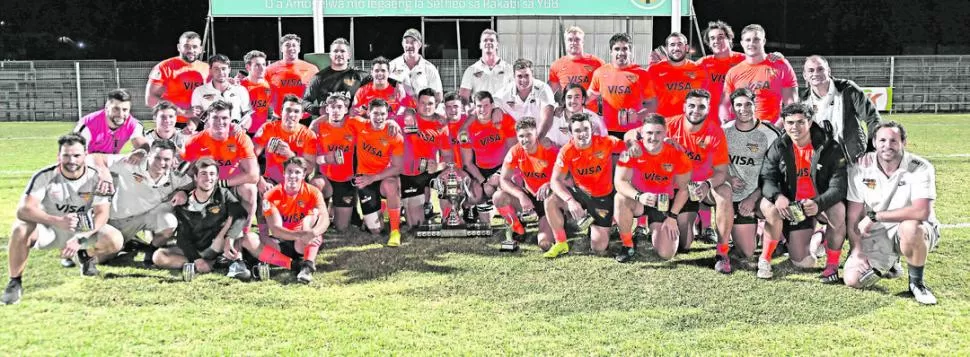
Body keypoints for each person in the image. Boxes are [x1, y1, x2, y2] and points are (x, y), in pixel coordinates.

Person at [2, 134, 124, 305]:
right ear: (58, 156)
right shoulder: (44, 176)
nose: (71, 160)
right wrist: (57, 221)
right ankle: (15, 282)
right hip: (50, 227)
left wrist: (81, 237)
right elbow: (23, 210)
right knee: (20, 228)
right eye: (66, 155)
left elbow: (102, 214)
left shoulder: (96, 178)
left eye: (76, 155)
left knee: (115, 240)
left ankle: (86, 256)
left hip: (81, 226)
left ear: (85, 155)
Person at [842, 122, 939, 305]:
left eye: (893, 141)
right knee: (852, 280)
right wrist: (857, 250)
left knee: (910, 228)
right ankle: (891, 262)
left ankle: (917, 283)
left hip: (914, 226)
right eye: (882, 140)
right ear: (874, 142)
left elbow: (921, 211)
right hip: (878, 231)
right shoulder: (860, 167)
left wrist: (876, 216)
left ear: (904, 142)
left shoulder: (920, 167)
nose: (887, 146)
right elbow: (854, 214)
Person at [759, 103, 847, 282]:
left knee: (838, 210)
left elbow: (839, 186)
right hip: (793, 206)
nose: (795, 127)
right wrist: (778, 196)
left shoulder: (829, 146)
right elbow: (766, 177)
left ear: (810, 121)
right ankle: (767, 258)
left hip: (818, 203)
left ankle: (831, 266)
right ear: (783, 122)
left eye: (800, 122)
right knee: (803, 262)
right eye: (790, 122)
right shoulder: (779, 146)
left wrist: (818, 203)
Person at [662, 89, 735, 272]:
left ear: (708, 109)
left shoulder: (715, 132)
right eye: (692, 105)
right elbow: (633, 135)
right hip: (677, 187)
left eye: (701, 106)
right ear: (684, 106)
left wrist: (707, 184)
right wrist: (661, 139)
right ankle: (687, 224)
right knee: (683, 246)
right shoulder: (668, 124)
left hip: (701, 186)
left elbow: (721, 172)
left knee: (724, 191)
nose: (696, 110)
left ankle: (722, 252)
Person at [88, 140, 193, 267]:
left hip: (141, 218)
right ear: (149, 156)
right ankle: (125, 243)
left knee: (169, 223)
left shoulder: (175, 176)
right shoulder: (132, 163)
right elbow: (95, 157)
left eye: (166, 159)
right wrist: (104, 174)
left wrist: (183, 191)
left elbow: (191, 184)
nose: (161, 163)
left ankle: (150, 250)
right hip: (116, 219)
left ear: (172, 160)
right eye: (157, 158)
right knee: (102, 257)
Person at [544, 113, 627, 258]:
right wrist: (570, 201)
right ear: (571, 133)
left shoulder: (606, 142)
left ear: (592, 129)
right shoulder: (567, 151)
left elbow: (630, 146)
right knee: (550, 199)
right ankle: (561, 242)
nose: (582, 134)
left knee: (599, 248)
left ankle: (606, 223)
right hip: (581, 194)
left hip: (603, 198)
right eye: (577, 131)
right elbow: (555, 180)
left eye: (585, 129)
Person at [152, 158, 250, 280]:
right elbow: (183, 239)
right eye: (203, 174)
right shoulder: (184, 201)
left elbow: (241, 215)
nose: (208, 178)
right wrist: (197, 259)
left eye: (212, 174)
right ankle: (213, 265)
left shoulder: (223, 194)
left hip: (218, 245)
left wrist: (229, 238)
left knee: (234, 221)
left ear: (217, 177)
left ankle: (231, 261)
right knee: (158, 256)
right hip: (197, 248)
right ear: (195, 178)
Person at [238, 157, 329, 283]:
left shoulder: (313, 192)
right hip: (283, 240)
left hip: (303, 242)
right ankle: (294, 265)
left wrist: (312, 233)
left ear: (304, 174)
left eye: (297, 172)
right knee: (248, 239)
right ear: (283, 173)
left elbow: (325, 218)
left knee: (311, 220)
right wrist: (299, 235)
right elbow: (276, 230)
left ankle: (308, 266)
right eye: (289, 171)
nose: (292, 175)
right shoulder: (271, 195)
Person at [614, 114, 692, 261]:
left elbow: (684, 188)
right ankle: (627, 244)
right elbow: (620, 182)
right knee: (620, 198)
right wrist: (639, 196)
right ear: (642, 133)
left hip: (662, 203)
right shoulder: (631, 151)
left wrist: (673, 216)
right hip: (639, 200)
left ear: (665, 133)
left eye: (658, 133)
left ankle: (653, 229)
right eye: (649, 133)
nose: (653, 137)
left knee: (666, 254)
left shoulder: (676, 153)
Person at [181, 101, 260, 230]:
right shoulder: (196, 140)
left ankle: (245, 232)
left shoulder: (239, 137)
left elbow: (253, 176)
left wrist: (222, 183)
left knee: (250, 189)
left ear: (230, 119)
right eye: (215, 118)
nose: (220, 122)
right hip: (207, 185)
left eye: (224, 118)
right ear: (207, 120)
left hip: (232, 183)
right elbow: (188, 173)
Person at [722, 89, 780, 262]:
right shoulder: (724, 131)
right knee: (747, 252)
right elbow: (713, 164)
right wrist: (727, 178)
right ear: (732, 108)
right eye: (738, 104)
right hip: (735, 195)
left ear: (756, 105)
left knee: (774, 209)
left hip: (760, 193)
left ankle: (777, 234)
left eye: (748, 104)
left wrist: (753, 197)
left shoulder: (770, 133)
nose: (743, 108)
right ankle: (742, 232)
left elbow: (776, 174)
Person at [800, 55, 883, 163]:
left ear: (829, 71)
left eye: (820, 69)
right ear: (805, 75)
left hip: (853, 159)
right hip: (820, 163)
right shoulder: (802, 100)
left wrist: (871, 148)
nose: (816, 73)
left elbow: (873, 118)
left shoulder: (848, 89)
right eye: (811, 71)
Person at [494, 117, 559, 249]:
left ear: (536, 134)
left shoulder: (550, 149)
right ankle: (519, 230)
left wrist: (549, 184)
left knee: (544, 244)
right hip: (530, 197)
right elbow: (503, 179)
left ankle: (556, 223)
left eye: (529, 134)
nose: (525, 139)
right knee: (498, 197)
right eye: (521, 136)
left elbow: (567, 177)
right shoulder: (515, 151)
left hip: (549, 201)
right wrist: (521, 195)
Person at [397, 88, 452, 229]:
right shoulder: (406, 120)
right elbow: (397, 104)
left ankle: (448, 218)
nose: (427, 107)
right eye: (423, 103)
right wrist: (408, 112)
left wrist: (439, 166)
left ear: (436, 105)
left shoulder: (441, 124)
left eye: (430, 104)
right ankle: (417, 208)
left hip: (430, 169)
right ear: (416, 103)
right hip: (411, 173)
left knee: (449, 179)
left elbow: (447, 156)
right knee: (416, 225)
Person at [722, 24, 798, 126]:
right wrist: (728, 124)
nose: (751, 43)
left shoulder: (781, 66)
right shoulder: (734, 72)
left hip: (773, 129)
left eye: (756, 39)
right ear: (742, 43)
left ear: (764, 41)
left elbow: (791, 103)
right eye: (748, 40)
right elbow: (725, 105)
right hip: (743, 131)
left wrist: (775, 129)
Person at [460, 91, 517, 224]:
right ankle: (468, 206)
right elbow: (468, 163)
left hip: (502, 166)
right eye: (479, 106)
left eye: (486, 105)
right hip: (480, 169)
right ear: (474, 107)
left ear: (492, 105)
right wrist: (482, 180)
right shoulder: (466, 130)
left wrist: (500, 173)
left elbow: (513, 152)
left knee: (507, 182)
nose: (483, 109)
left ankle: (516, 217)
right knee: (477, 194)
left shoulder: (504, 120)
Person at [354, 99, 405, 246]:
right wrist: (314, 124)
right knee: (376, 230)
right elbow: (338, 116)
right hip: (364, 179)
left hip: (382, 178)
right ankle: (382, 208)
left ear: (387, 114)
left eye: (383, 114)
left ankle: (395, 231)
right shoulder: (359, 124)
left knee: (391, 184)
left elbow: (397, 167)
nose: (379, 117)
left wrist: (374, 177)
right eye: (375, 113)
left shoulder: (393, 134)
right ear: (368, 113)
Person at [310, 92, 359, 232]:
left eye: (339, 107)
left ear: (345, 110)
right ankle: (320, 214)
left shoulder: (354, 124)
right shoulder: (318, 127)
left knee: (342, 228)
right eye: (332, 107)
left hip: (346, 180)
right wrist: (326, 159)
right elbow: (309, 156)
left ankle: (332, 210)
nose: (336, 111)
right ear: (327, 109)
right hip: (327, 178)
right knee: (316, 184)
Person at [588, 33, 652, 138]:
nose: (621, 53)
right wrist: (564, 106)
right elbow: (588, 97)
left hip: (635, 132)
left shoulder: (642, 74)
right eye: (617, 49)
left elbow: (652, 104)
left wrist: (639, 115)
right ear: (611, 52)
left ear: (630, 51)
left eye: (625, 49)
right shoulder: (600, 72)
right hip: (607, 131)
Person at [145, 31, 209, 129]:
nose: (191, 50)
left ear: (200, 49)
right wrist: (183, 112)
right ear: (179, 47)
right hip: (171, 123)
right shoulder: (164, 67)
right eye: (186, 46)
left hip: (201, 123)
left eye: (195, 47)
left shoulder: (208, 69)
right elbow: (150, 100)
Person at [644, 32, 710, 118]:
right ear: (667, 49)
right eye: (672, 45)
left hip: (689, 124)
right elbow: (646, 100)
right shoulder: (654, 70)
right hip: (662, 123)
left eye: (680, 44)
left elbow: (705, 99)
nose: (676, 48)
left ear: (686, 48)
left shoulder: (699, 70)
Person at [303, 38, 365, 124]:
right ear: (330, 55)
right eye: (335, 51)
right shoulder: (319, 77)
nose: (339, 54)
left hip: (351, 127)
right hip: (326, 127)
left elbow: (372, 99)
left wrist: (363, 109)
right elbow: (305, 101)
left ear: (349, 55)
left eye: (342, 51)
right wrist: (319, 110)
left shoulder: (360, 77)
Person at [497, 58, 556, 139]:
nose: (523, 80)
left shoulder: (543, 89)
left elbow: (547, 119)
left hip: (541, 136)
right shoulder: (505, 92)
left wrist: (536, 141)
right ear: (514, 76)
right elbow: (489, 103)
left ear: (532, 74)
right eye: (519, 76)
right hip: (515, 139)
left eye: (526, 75)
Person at [191, 54, 253, 131]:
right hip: (209, 137)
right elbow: (195, 117)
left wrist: (242, 130)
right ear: (210, 70)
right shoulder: (199, 91)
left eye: (224, 68)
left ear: (229, 69)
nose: (221, 72)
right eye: (216, 69)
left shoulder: (241, 90)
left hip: (234, 137)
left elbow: (248, 116)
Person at [74, 89, 143, 154]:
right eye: (116, 109)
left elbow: (142, 146)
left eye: (125, 110)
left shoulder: (134, 124)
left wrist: (140, 152)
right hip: (88, 163)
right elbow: (74, 152)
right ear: (106, 107)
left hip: (110, 164)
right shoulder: (88, 124)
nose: (121, 114)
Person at [265, 34, 319, 117]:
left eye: (294, 45)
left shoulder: (312, 69)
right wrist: (275, 107)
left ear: (299, 49)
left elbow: (318, 91)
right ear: (281, 49)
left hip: (303, 117)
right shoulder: (270, 69)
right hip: (280, 116)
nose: (291, 48)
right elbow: (264, 92)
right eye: (287, 45)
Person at [547, 26, 604, 100]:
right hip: (568, 110)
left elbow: (607, 89)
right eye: (570, 40)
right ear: (565, 42)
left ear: (583, 42)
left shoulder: (597, 63)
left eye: (577, 39)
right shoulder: (556, 65)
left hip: (589, 111)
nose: (573, 43)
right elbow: (548, 93)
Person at [458, 29, 513, 103]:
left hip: (502, 112)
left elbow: (515, 93)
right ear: (480, 45)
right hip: (481, 113)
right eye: (485, 40)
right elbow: (463, 97)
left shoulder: (509, 68)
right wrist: (469, 110)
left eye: (491, 40)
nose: (488, 42)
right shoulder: (471, 70)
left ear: (497, 45)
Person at [389, 29, 443, 103]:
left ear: (420, 45)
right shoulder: (392, 66)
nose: (409, 46)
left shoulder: (429, 68)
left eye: (413, 42)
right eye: (406, 42)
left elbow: (438, 96)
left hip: (421, 112)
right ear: (402, 44)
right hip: (399, 112)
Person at [240, 50, 273, 136]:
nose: (262, 68)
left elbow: (270, 109)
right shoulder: (240, 86)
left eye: (263, 64)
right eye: (257, 65)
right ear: (248, 67)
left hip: (262, 132)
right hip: (244, 132)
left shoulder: (269, 85)